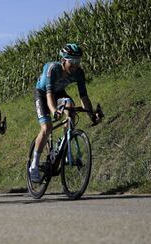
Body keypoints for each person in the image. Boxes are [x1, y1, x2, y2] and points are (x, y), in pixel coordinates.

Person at [29, 43, 103, 183]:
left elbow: (84, 97)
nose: (75, 65)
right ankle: (34, 165)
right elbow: (49, 96)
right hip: (43, 94)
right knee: (47, 128)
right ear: (63, 60)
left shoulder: (79, 73)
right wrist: (54, 111)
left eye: (78, 62)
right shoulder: (52, 68)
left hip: (58, 93)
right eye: (72, 62)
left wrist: (92, 115)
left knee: (70, 105)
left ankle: (66, 143)